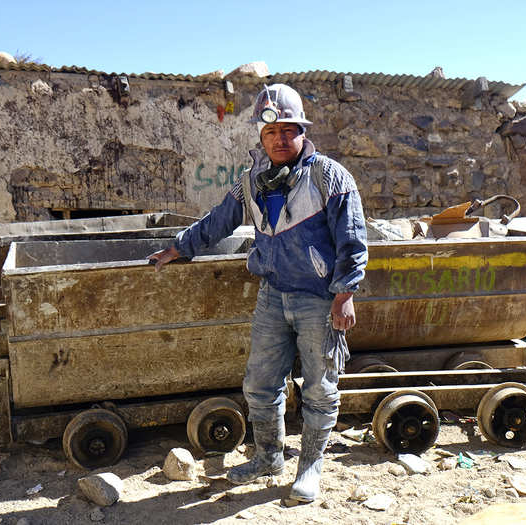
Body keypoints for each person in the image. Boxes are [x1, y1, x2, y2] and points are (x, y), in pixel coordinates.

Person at [148, 83, 368, 502]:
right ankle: (269, 456)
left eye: (288, 130)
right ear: (260, 137)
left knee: (320, 386)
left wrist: (345, 294)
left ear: (302, 131)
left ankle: (310, 469)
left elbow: (353, 240)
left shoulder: (330, 176)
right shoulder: (250, 181)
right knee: (260, 385)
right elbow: (219, 220)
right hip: (272, 297)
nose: (280, 139)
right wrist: (179, 247)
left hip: (319, 300)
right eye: (271, 133)